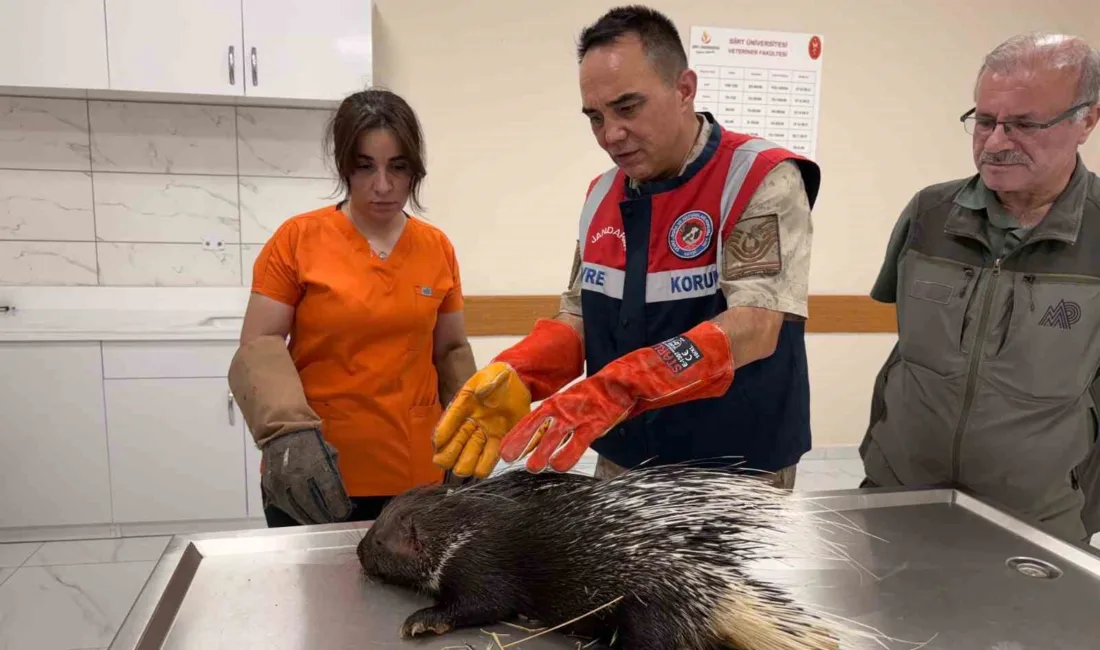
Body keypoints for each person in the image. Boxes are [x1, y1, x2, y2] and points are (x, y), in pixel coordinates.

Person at [431, 6, 821, 487]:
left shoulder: (759, 176)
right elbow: (579, 312)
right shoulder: (601, 193)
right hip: (625, 457)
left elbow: (756, 326)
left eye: (627, 108)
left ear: (684, 89)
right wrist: (521, 371)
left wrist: (618, 388)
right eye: (595, 117)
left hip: (735, 466)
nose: (610, 135)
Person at [860, 32, 1100, 543]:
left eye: (1025, 125)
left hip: (1040, 521)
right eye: (985, 120)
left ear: (1088, 120)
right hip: (899, 495)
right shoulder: (929, 212)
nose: (994, 143)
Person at [228, 88, 477, 528]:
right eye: (365, 167)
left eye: (397, 168)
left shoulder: (436, 247)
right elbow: (260, 343)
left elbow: (451, 350)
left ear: (414, 170)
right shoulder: (297, 239)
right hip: (316, 476)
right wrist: (286, 434)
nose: (382, 186)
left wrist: (468, 429)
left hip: (416, 478)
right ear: (345, 165)